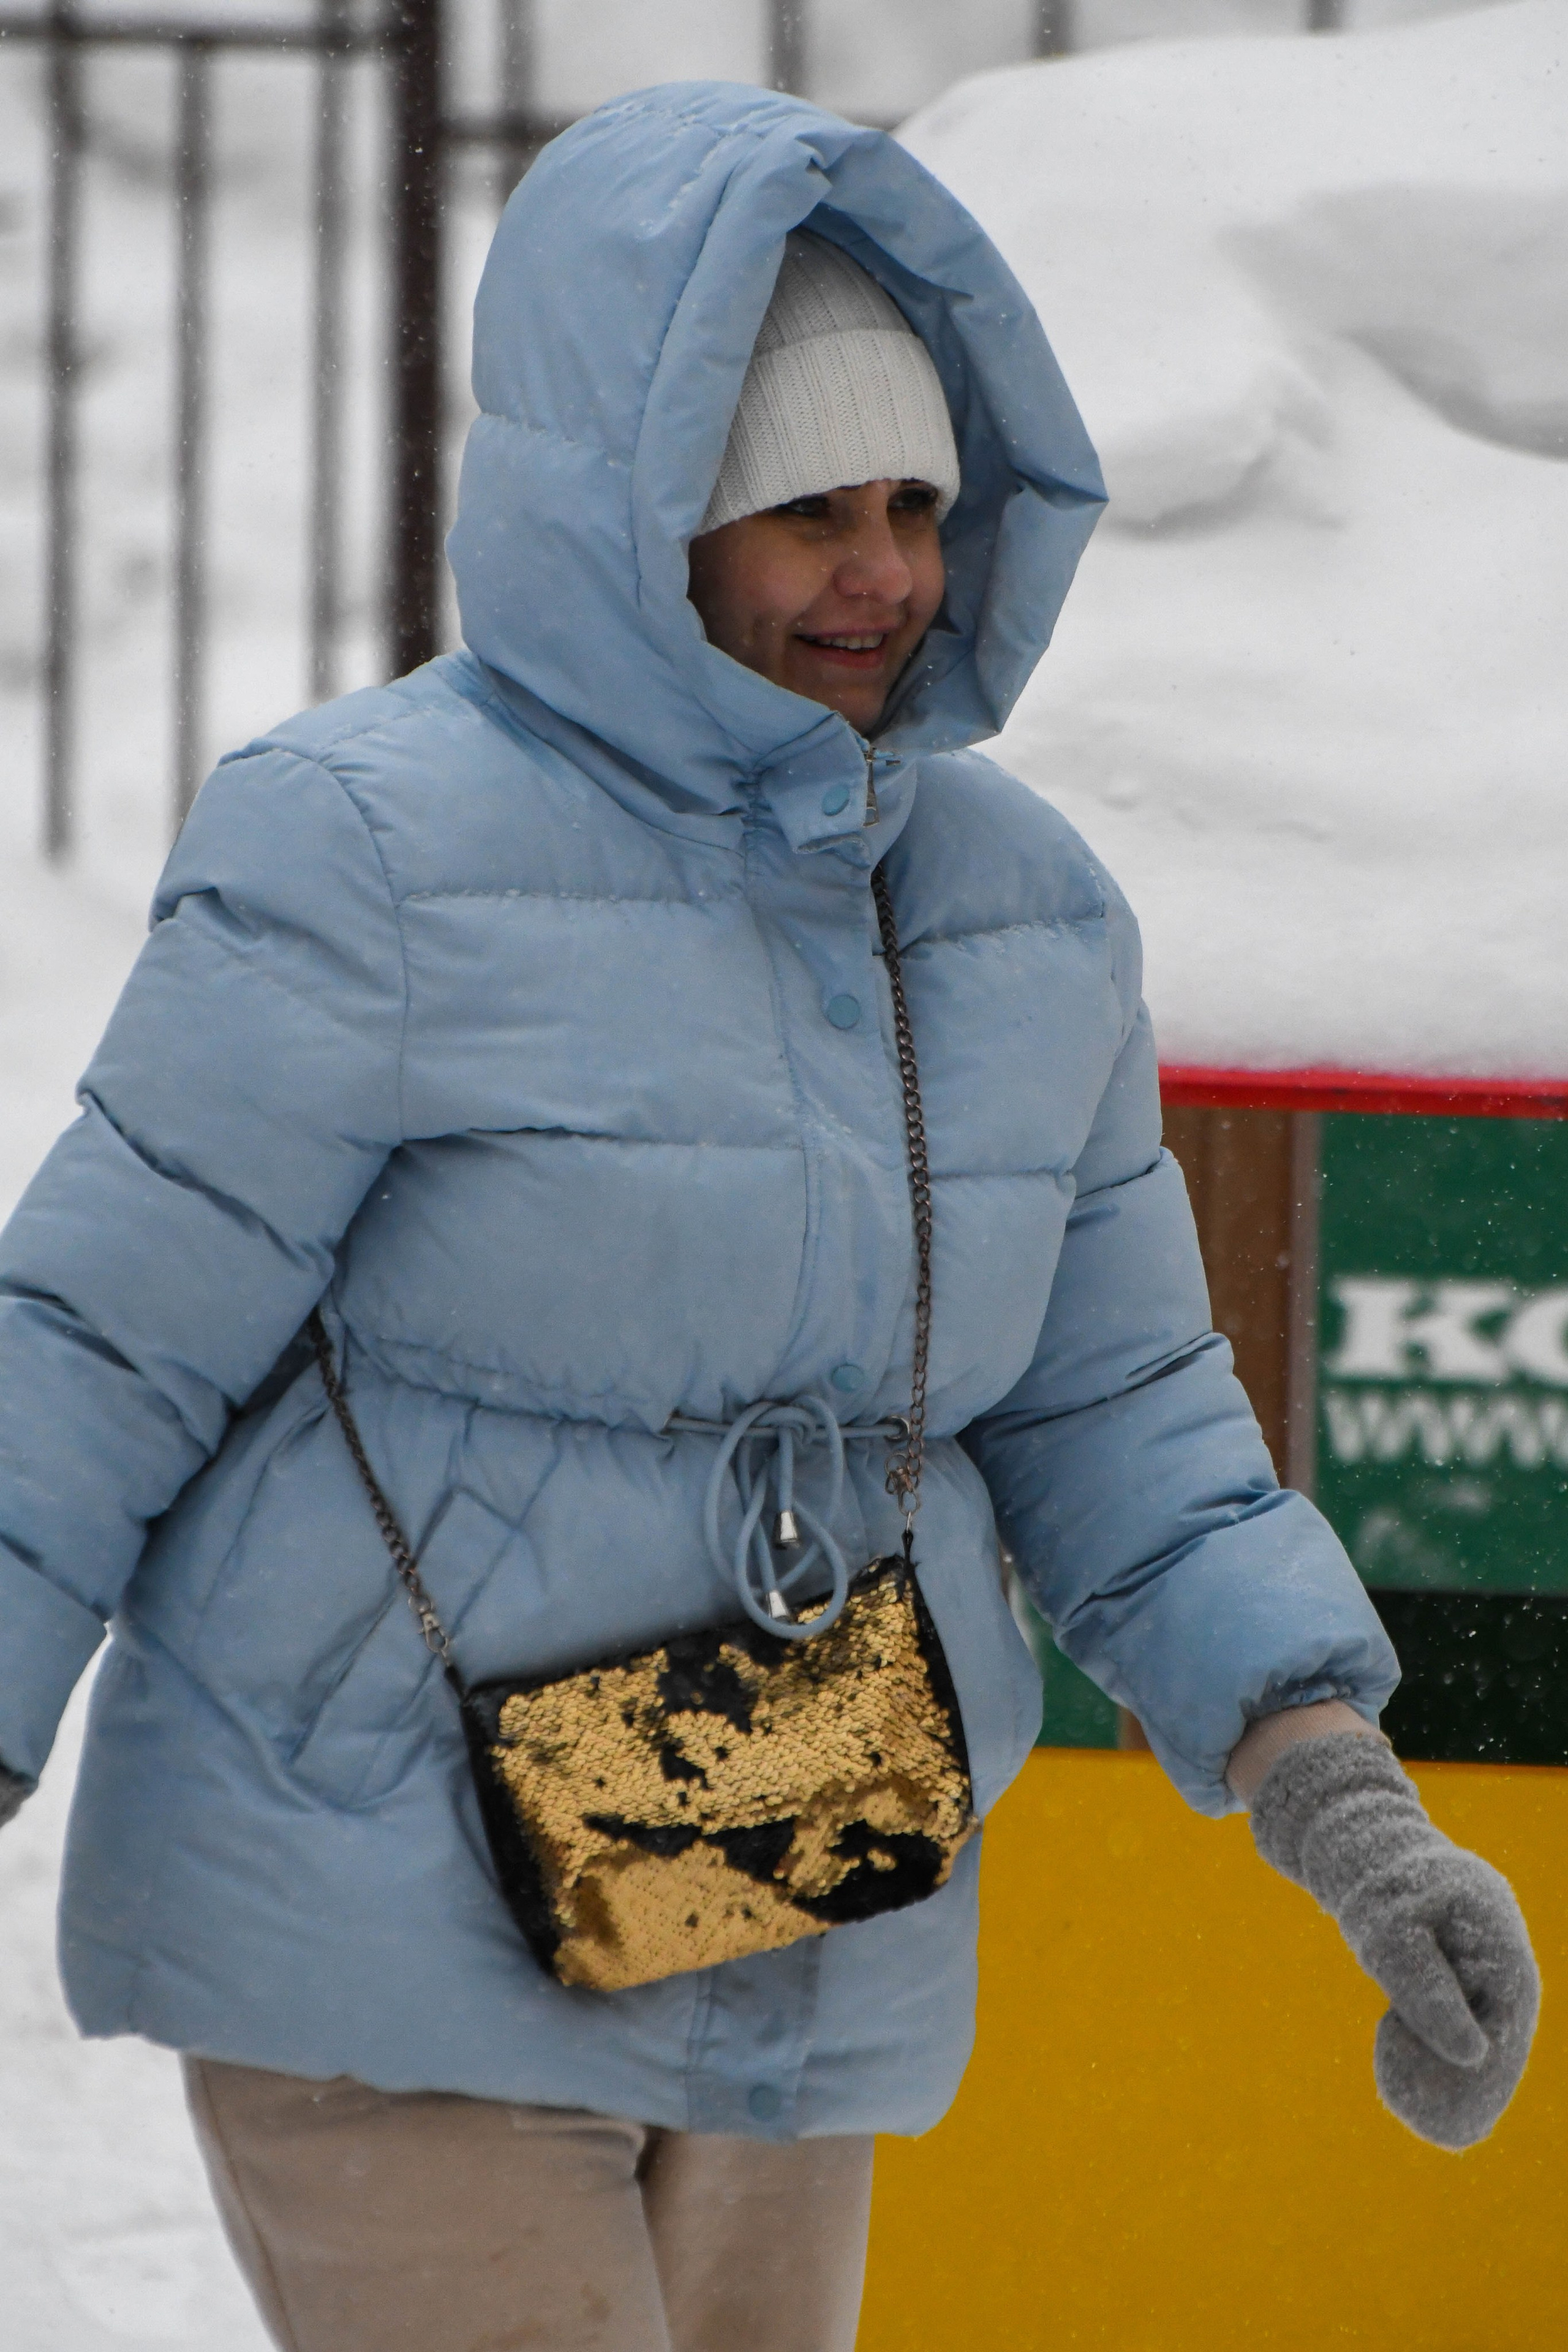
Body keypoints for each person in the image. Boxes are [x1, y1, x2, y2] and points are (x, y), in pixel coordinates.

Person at [0, 79, 1538, 2352]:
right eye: (805, 507)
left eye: (916, 502)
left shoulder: (1024, 915)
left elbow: (1123, 1409)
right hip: (381, 1890)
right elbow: (97, 1335)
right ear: (645, 524)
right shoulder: (365, 851)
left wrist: (1337, 1796)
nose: (884, 570)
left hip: (804, 1884)